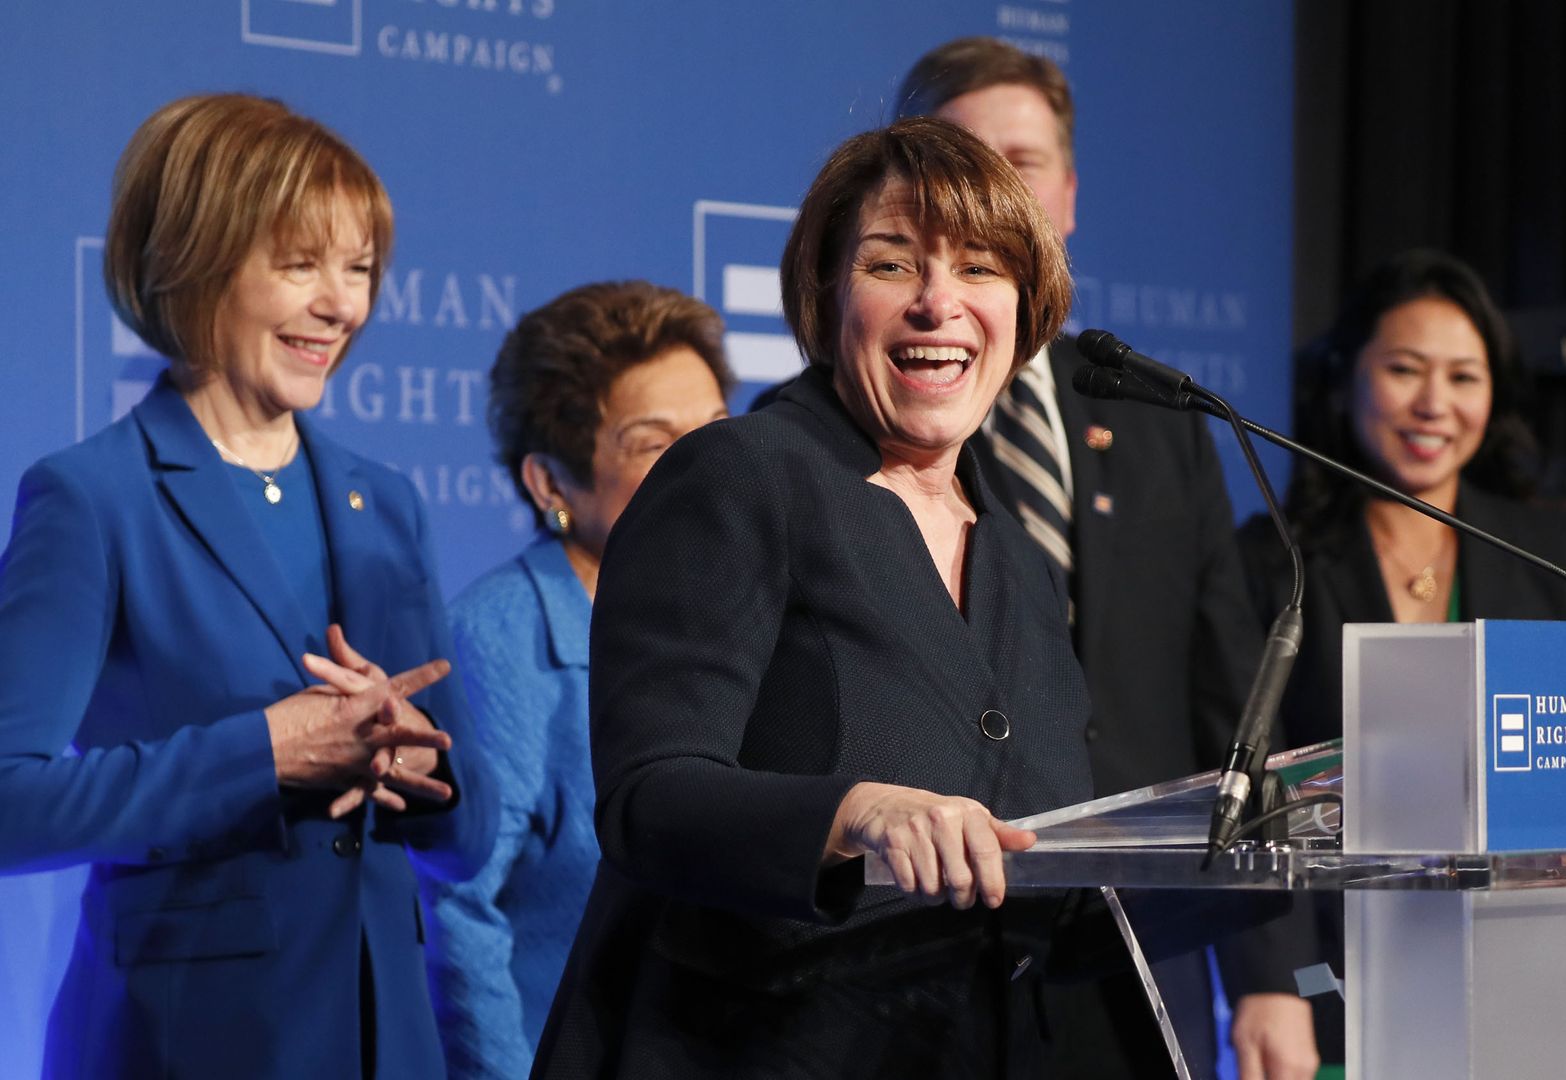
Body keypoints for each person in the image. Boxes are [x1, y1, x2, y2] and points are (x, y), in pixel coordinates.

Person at [532, 116, 1094, 1079]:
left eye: (981, 269)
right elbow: (649, 799)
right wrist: (854, 814)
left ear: (1026, 307)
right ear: (826, 293)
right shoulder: (740, 477)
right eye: (891, 265)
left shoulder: (1023, 561)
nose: (937, 303)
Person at [0, 94, 497, 1077]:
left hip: (384, 1042)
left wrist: (414, 768)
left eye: (358, 270)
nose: (342, 306)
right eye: (302, 265)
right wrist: (267, 750)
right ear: (197, 260)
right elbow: (11, 804)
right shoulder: (94, 500)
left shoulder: (382, 504)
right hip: (187, 1041)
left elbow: (466, 837)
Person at [896, 37, 1319, 1080]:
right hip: (919, 942)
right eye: (962, 159)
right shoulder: (861, 419)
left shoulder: (1153, 412)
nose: (996, 188)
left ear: (1069, 196)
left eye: (1023, 162)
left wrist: (1271, 967)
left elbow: (1230, 704)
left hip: (1139, 954)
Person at [1238, 248, 1566, 1060]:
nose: (1434, 404)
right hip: (1338, 984)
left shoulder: (1554, 555)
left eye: (1464, 378)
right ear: (1346, 380)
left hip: (1532, 972)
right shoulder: (1274, 559)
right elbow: (1249, 785)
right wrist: (1275, 980)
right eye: (1405, 370)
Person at [424, 281, 733, 1079]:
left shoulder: (748, 618)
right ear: (551, 484)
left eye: (717, 433)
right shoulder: (497, 640)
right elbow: (457, 910)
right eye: (655, 444)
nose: (706, 470)